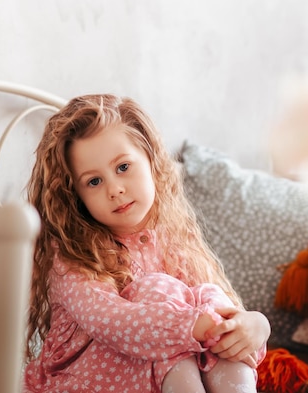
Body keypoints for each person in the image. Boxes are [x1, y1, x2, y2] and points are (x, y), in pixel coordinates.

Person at [23, 94, 270, 393]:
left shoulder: (173, 237)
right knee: (158, 295)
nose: (115, 189)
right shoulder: (72, 255)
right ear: (76, 197)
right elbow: (114, 323)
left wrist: (254, 325)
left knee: (208, 296)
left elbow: (215, 313)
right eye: (94, 182)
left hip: (165, 369)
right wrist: (193, 327)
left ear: (151, 160)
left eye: (123, 167)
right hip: (86, 379)